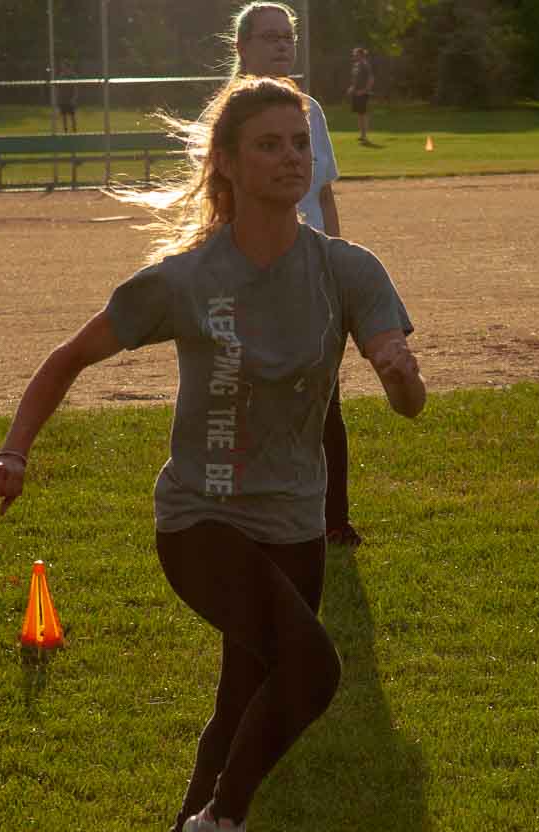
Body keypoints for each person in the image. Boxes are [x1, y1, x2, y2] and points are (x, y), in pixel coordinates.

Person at [0, 76, 425, 832]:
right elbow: (66, 358)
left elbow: (405, 395)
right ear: (224, 163)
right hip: (200, 518)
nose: (291, 158)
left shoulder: (347, 269)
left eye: (299, 143)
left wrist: (402, 379)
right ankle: (220, 827)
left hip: (294, 522)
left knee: (244, 695)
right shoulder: (184, 280)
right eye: (269, 144)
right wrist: (14, 453)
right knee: (312, 666)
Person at [227, 1, 360, 546]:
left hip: (304, 268)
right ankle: (242, 514)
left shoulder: (310, 109)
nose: (283, 46)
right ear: (242, 47)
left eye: (288, 37)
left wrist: (330, 259)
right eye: (269, 37)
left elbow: (322, 192)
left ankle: (333, 521)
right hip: (245, 268)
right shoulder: (226, 115)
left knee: (322, 399)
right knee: (240, 396)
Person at [348, 47, 374, 144]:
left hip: (362, 94)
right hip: (356, 93)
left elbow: (371, 79)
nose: (354, 56)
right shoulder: (356, 65)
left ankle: (365, 136)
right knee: (359, 114)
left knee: (363, 114)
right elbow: (356, 79)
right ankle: (362, 135)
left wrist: (364, 91)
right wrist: (352, 88)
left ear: (361, 55)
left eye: (356, 54)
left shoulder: (365, 65)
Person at [57, 60, 79, 134]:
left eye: (63, 66)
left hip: (70, 98)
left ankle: (74, 130)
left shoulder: (72, 75)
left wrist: (74, 98)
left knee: (72, 115)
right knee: (64, 116)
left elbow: (75, 88)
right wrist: (59, 97)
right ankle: (65, 131)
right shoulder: (61, 75)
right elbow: (59, 87)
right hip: (63, 99)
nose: (62, 67)